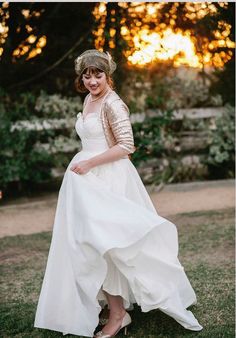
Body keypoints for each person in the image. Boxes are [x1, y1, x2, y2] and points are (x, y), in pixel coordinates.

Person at [34, 49, 203, 338]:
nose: (92, 81)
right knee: (86, 244)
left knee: (109, 246)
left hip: (108, 179)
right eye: (86, 76)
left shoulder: (114, 104)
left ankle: (118, 314)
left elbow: (126, 145)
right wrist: (84, 164)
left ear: (107, 74)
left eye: (97, 75)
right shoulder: (89, 99)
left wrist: (89, 162)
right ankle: (109, 302)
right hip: (85, 182)